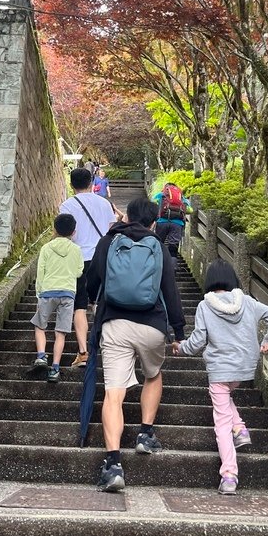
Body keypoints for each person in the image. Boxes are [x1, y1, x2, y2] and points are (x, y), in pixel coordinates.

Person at [87, 196, 185, 493]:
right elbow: (170, 290)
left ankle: (113, 464)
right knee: (153, 375)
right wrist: (178, 332)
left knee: (113, 393)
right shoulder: (157, 246)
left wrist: (93, 300)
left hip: (114, 323)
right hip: (152, 325)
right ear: (154, 220)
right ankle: (144, 434)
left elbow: (92, 279)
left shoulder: (109, 240)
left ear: (127, 217)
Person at [172, 259, 268, 495]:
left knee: (221, 422)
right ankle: (240, 428)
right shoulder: (247, 301)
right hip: (245, 367)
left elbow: (198, 340)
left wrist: (181, 348)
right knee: (224, 394)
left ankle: (229, 473)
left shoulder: (204, 306)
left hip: (220, 368)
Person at [59, 168, 117, 368]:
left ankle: (83, 353)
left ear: (71, 183)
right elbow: (112, 232)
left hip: (78, 259)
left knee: (80, 306)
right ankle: (109, 350)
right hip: (103, 258)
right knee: (101, 303)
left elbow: (65, 235)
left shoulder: (67, 205)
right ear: (92, 182)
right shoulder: (104, 203)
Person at [31, 213, 84, 382]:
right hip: (68, 293)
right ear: (73, 232)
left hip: (47, 291)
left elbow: (40, 273)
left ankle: (41, 356)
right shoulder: (76, 249)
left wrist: (38, 293)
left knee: (40, 325)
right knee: (60, 332)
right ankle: (55, 368)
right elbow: (78, 272)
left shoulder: (46, 248)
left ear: (54, 229)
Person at [152, 182, 192, 263]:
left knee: (159, 243)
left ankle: (158, 264)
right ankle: (172, 268)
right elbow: (190, 210)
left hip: (162, 222)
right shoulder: (181, 197)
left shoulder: (161, 195)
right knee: (173, 247)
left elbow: (152, 202)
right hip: (177, 224)